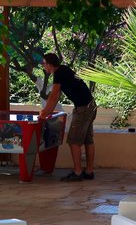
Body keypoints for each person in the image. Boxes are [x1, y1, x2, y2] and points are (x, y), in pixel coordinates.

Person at [38, 52, 97, 181]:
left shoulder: (59, 73)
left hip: (83, 109)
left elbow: (53, 96)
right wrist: (47, 112)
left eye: (44, 63)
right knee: (88, 140)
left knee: (73, 140)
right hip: (90, 106)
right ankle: (89, 171)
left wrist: (43, 114)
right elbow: (56, 96)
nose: (43, 66)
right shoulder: (63, 70)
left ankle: (77, 172)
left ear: (49, 65)